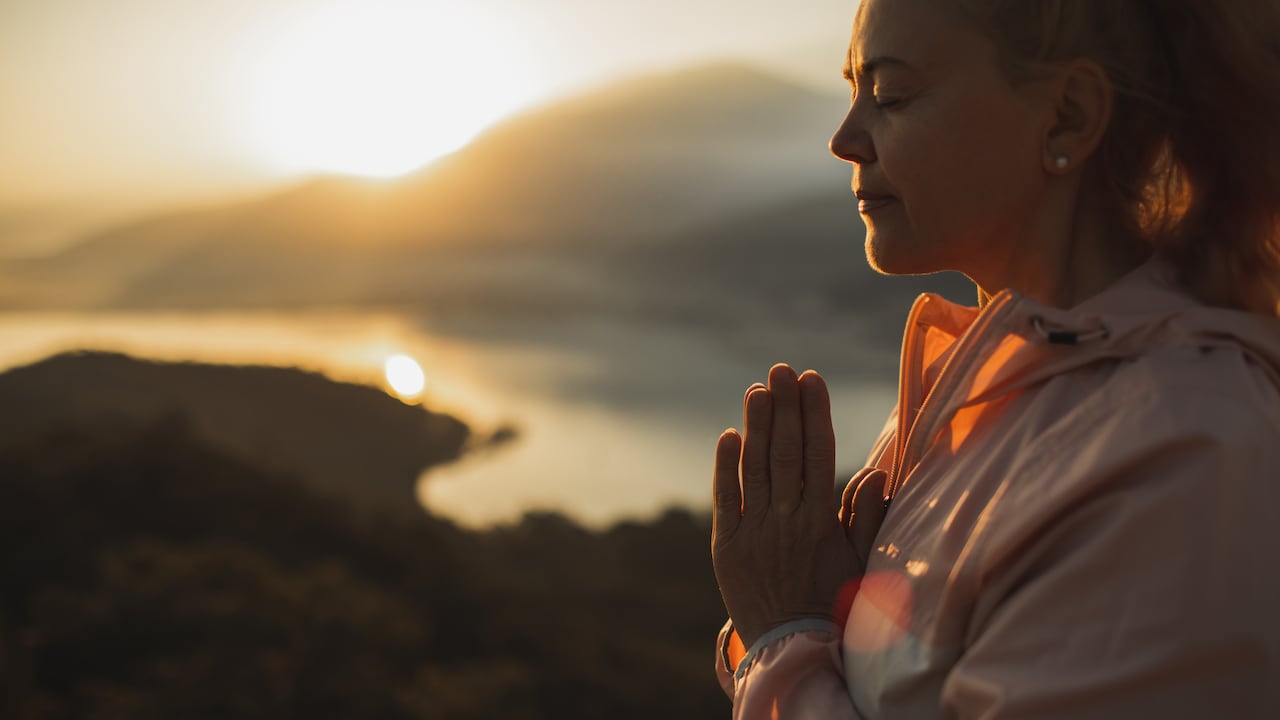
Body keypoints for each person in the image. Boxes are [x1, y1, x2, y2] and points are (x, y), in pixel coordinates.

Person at [709, 0, 1280, 716]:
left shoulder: (1181, 455)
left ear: (1067, 116)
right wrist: (817, 626)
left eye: (890, 95)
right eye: (852, 91)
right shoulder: (980, 392)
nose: (845, 139)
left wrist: (783, 636)